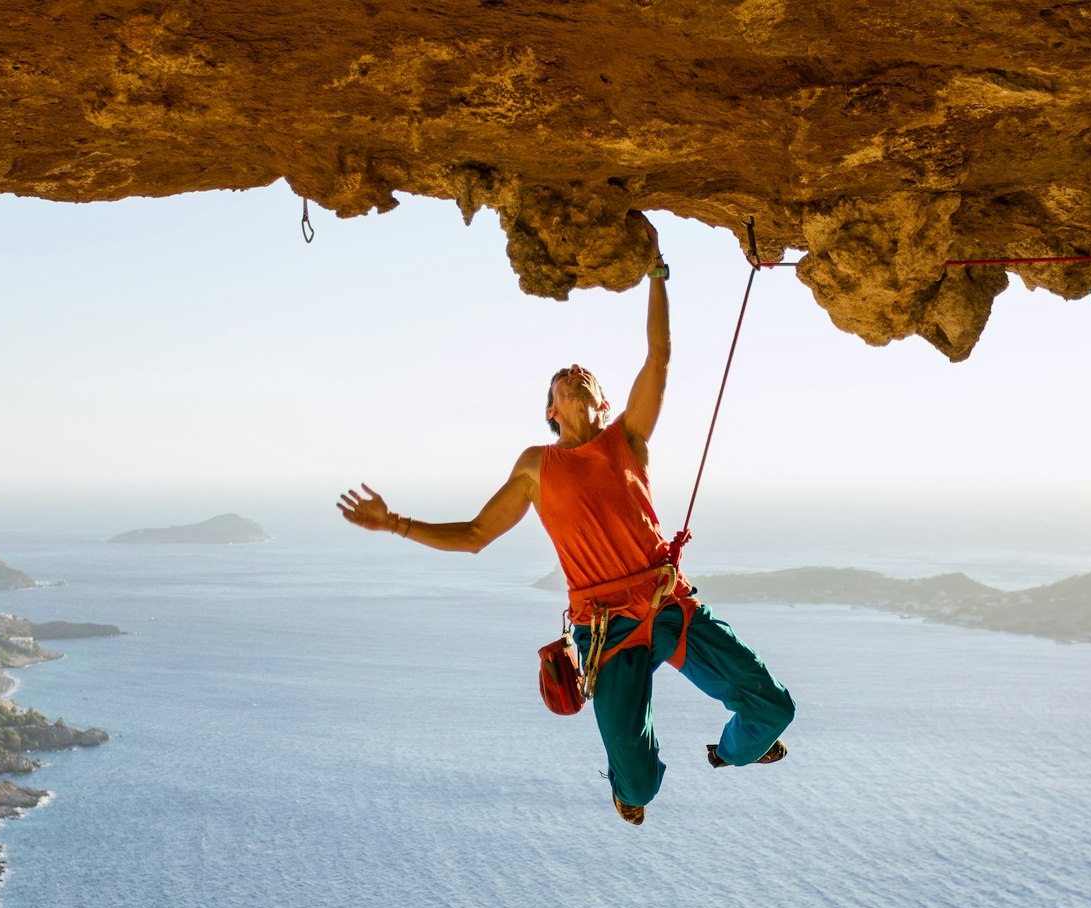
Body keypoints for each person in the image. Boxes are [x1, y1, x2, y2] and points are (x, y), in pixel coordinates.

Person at [338, 246, 793, 824]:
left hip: (667, 604)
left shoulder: (627, 437)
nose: (569, 377)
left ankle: (734, 752)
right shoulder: (536, 466)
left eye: (580, 378)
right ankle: (635, 786)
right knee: (638, 782)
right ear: (551, 413)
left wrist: (656, 273)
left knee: (772, 707)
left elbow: (660, 354)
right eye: (558, 385)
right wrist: (395, 522)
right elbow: (476, 534)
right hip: (605, 629)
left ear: (601, 402)